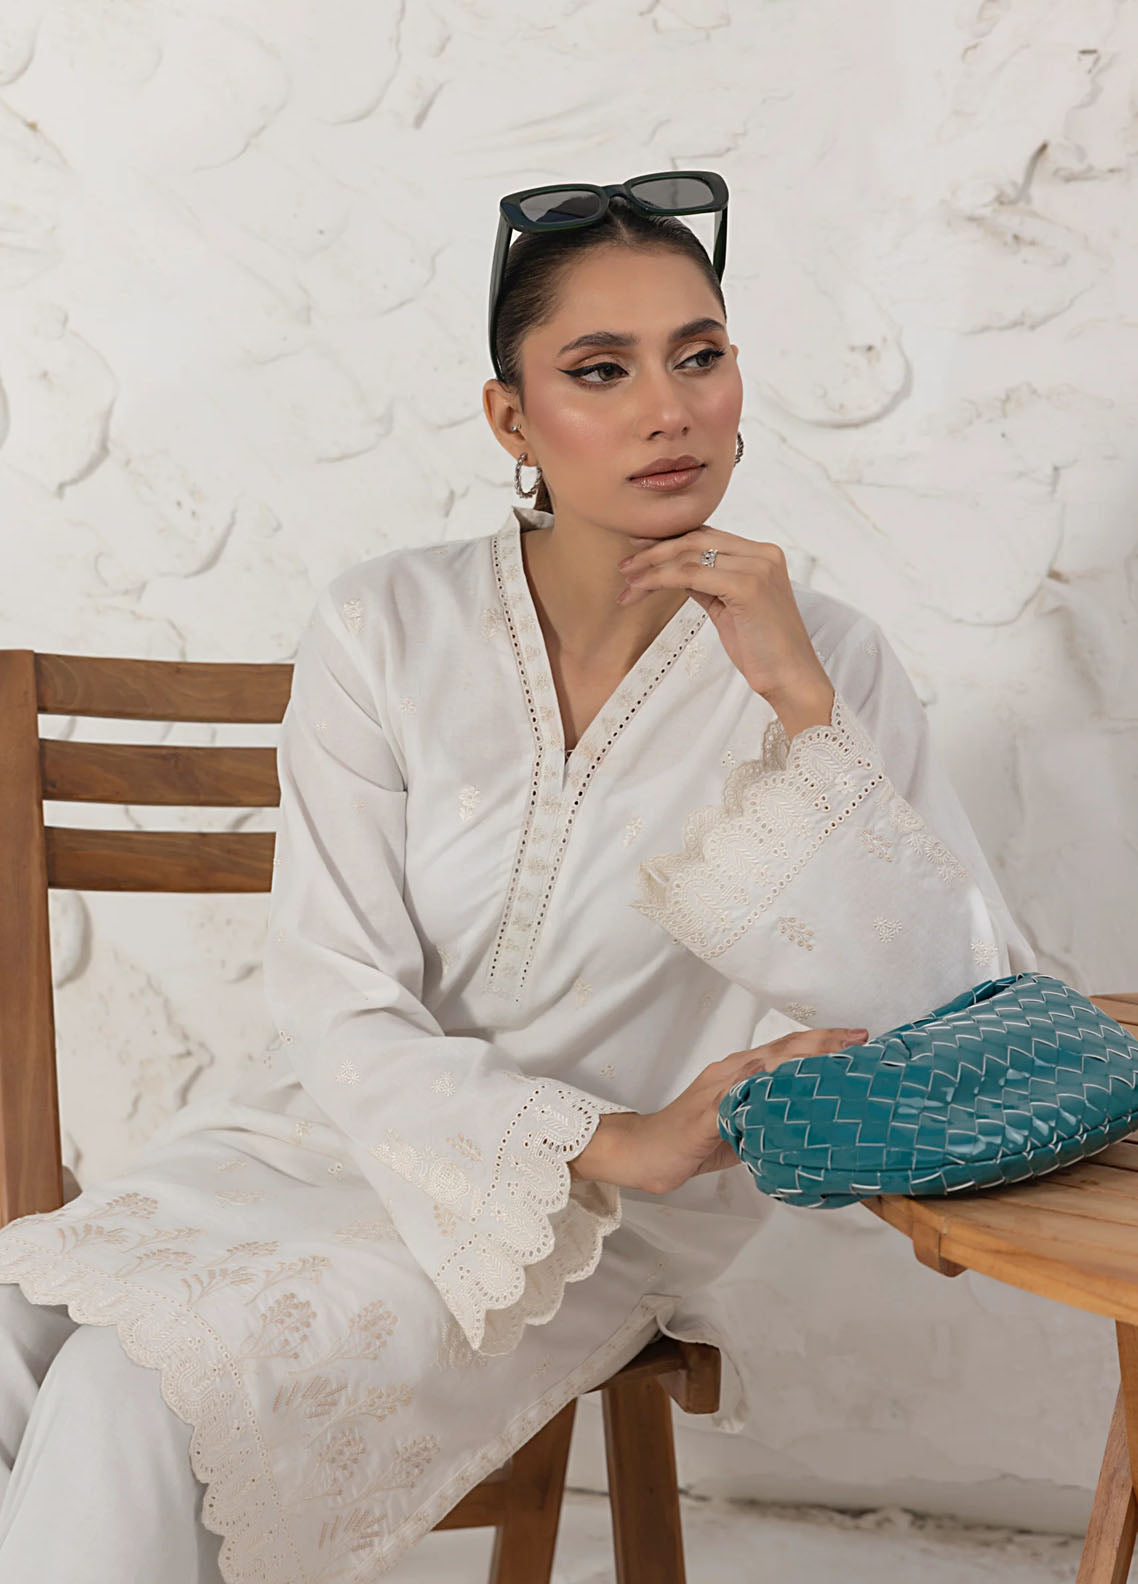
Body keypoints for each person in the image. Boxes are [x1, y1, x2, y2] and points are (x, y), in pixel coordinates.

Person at [0, 181, 1036, 1583]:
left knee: (132, 1386)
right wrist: (604, 1131)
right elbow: (335, 992)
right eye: (601, 370)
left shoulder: (828, 658)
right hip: (321, 1137)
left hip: (593, 1229)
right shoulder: (385, 625)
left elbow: (960, 1005)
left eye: (699, 355)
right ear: (511, 419)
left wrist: (802, 707)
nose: (667, 410)